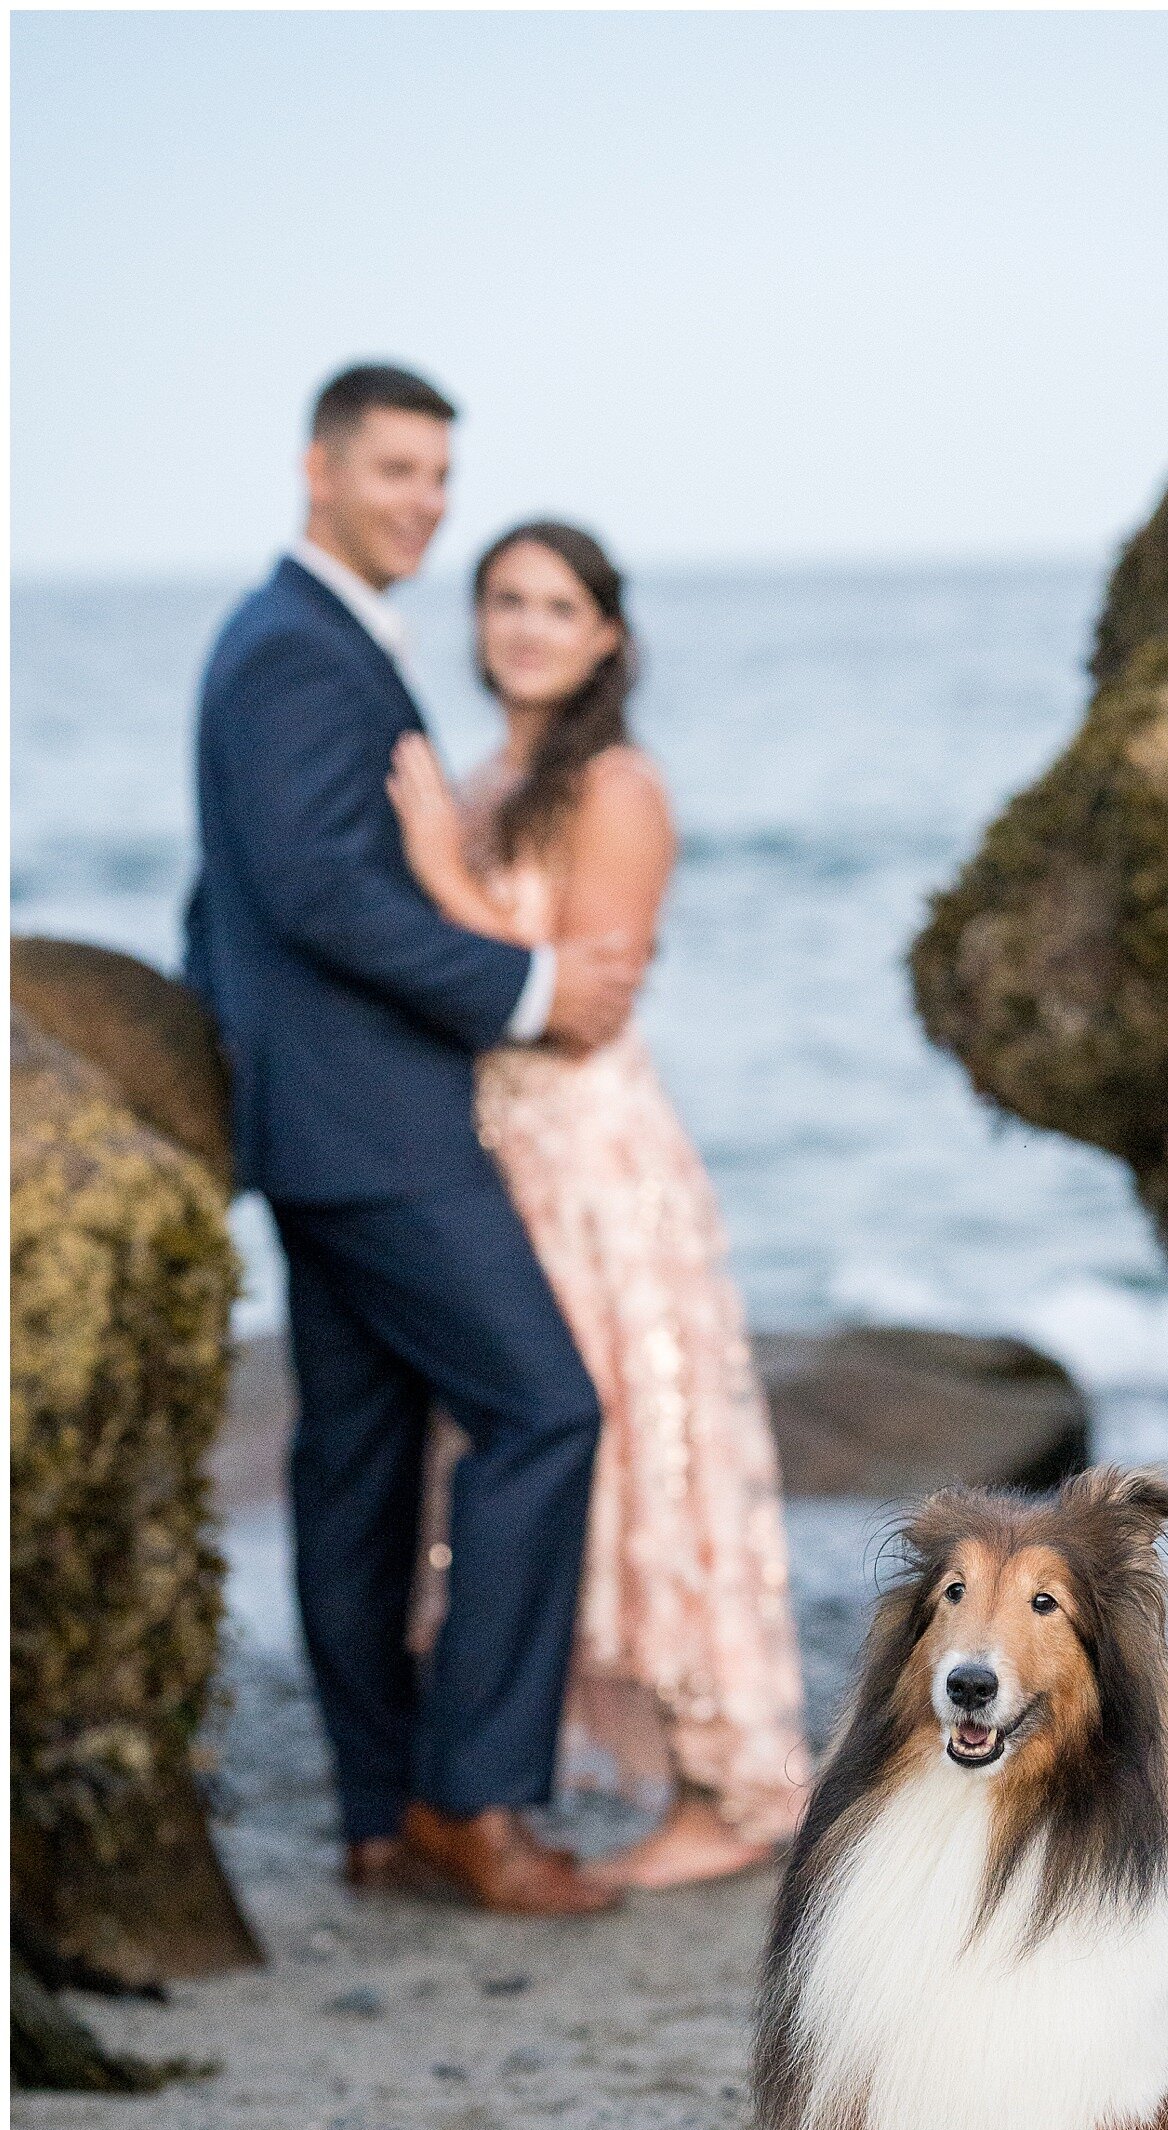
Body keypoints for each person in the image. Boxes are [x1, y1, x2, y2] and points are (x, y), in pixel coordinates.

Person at [184, 362, 644, 1915]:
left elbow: (229, 897)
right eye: (396, 471)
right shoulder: (297, 651)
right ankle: (474, 1800)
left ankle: (381, 1815)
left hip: (319, 1119)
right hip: (374, 1127)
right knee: (543, 1413)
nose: (422, 503)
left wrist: (243, 1065)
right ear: (319, 468)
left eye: (440, 475)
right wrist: (519, 982)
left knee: (360, 1472)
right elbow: (316, 886)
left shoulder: (292, 643)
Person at [384, 520, 807, 1887]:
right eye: (505, 600)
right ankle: (541, 1756)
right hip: (503, 1158)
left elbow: (586, 995)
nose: (525, 627)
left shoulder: (617, 783)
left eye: (557, 606)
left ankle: (726, 1786)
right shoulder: (493, 774)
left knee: (651, 1448)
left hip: (599, 1161)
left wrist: (438, 869)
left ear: (607, 635)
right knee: (545, 1460)